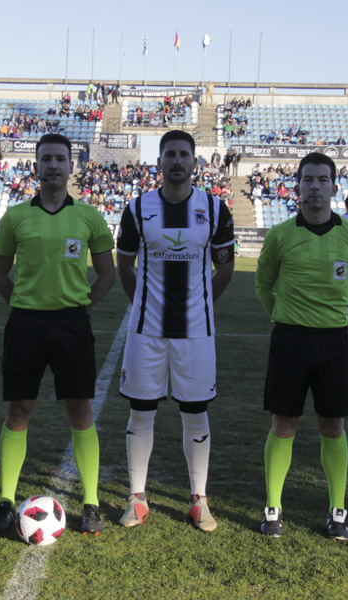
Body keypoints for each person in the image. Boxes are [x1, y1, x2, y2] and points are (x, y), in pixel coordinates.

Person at [0, 133, 116, 536]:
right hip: (25, 324)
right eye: (46, 159)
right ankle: (7, 500)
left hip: (72, 325)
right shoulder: (15, 216)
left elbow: (108, 274)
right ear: (36, 166)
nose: (54, 165)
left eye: (61, 159)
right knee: (19, 411)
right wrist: (24, 303)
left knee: (80, 413)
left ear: (71, 167)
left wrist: (79, 306)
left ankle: (91, 503)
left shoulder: (89, 217)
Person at [114, 130, 235, 532]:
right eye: (170, 154)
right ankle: (137, 498)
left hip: (196, 333)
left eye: (185, 154)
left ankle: (199, 500)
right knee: (141, 410)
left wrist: (198, 306)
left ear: (194, 161)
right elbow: (124, 267)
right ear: (160, 161)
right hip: (146, 331)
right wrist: (144, 307)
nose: (178, 161)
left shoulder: (216, 210)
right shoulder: (136, 209)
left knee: (195, 413)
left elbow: (226, 268)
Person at [254, 152, 348, 541]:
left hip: (333, 342)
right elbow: (262, 285)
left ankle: (337, 512)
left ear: (334, 188)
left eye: (323, 180)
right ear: (298, 187)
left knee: (332, 425)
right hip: (289, 340)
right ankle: (273, 508)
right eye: (308, 180)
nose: (315, 187)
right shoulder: (281, 235)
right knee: (283, 424)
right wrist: (283, 315)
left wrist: (340, 306)